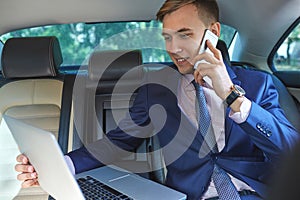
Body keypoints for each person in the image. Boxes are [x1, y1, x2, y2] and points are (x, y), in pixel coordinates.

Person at [15, 0, 299, 199]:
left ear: (212, 33)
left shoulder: (258, 84)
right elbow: (119, 141)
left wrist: (231, 95)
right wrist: (61, 165)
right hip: (191, 196)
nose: (173, 48)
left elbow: (289, 153)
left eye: (184, 35)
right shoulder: (157, 89)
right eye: (167, 37)